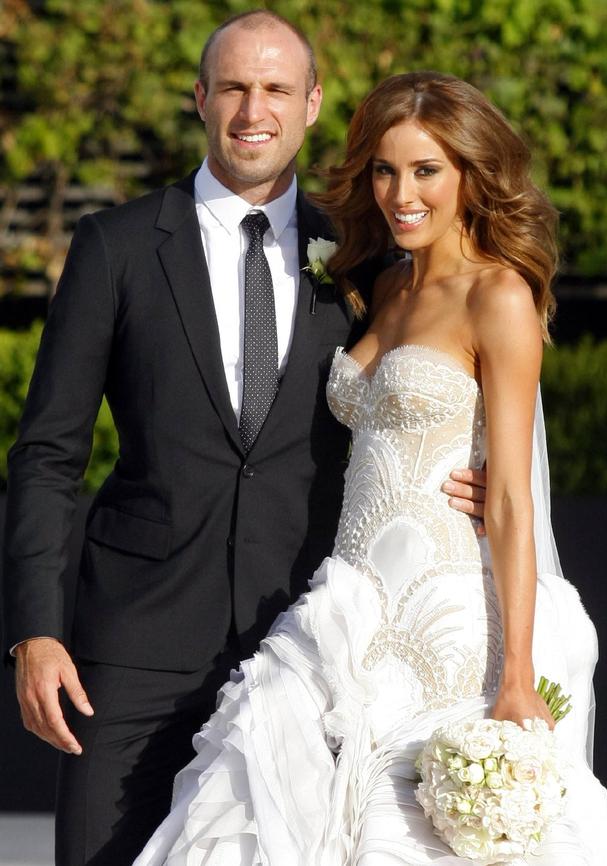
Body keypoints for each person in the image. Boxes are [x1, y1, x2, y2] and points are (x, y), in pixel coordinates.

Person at [1, 16, 484, 866]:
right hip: (132, 653)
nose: (252, 109)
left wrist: (471, 469)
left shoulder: (368, 257)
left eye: (275, 90)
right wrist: (35, 633)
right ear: (200, 98)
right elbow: (46, 454)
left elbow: (446, 372)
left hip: (307, 651)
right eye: (232, 87)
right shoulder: (113, 248)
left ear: (311, 105)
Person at [135, 71, 607, 865]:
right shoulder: (380, 286)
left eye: (427, 170)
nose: (402, 193)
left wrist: (516, 676)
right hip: (346, 608)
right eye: (385, 170)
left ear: (472, 175)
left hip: (453, 622)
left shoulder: (498, 295)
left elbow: (507, 494)